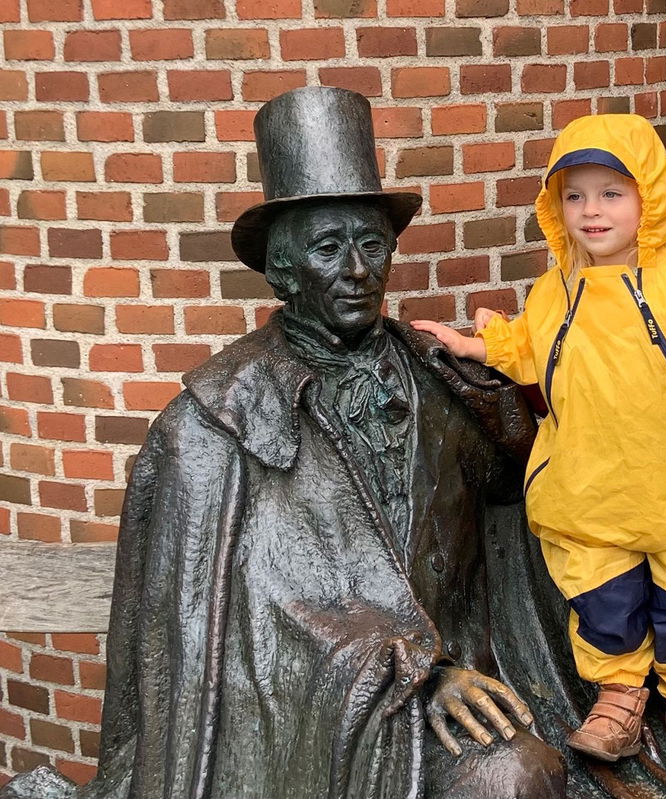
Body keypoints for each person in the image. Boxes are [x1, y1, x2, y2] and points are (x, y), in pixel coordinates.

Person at [0, 86, 565, 799]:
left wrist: (509, 402)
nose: (358, 271)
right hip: (323, 717)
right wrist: (414, 673)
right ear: (283, 270)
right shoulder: (213, 423)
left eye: (370, 243)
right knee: (507, 780)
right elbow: (250, 629)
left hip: (466, 679)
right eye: (329, 248)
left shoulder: (440, 380)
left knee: (529, 771)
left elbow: (526, 505)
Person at [412, 113, 666, 778]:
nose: (591, 210)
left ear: (647, 199)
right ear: (555, 207)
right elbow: (521, 348)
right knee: (604, 605)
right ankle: (620, 697)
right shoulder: (554, 291)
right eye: (575, 195)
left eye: (611, 193)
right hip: (586, 495)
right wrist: (471, 345)